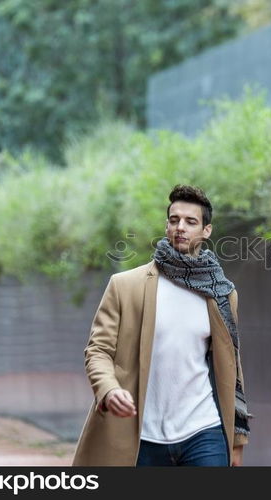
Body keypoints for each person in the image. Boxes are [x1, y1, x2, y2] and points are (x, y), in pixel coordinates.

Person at [72, 184, 252, 466]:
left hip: (204, 430)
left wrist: (238, 439)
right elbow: (97, 350)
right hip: (142, 435)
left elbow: (232, 366)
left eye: (190, 221)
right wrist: (109, 389)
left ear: (206, 231)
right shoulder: (125, 286)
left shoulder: (222, 293)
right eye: (174, 220)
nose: (180, 227)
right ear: (167, 226)